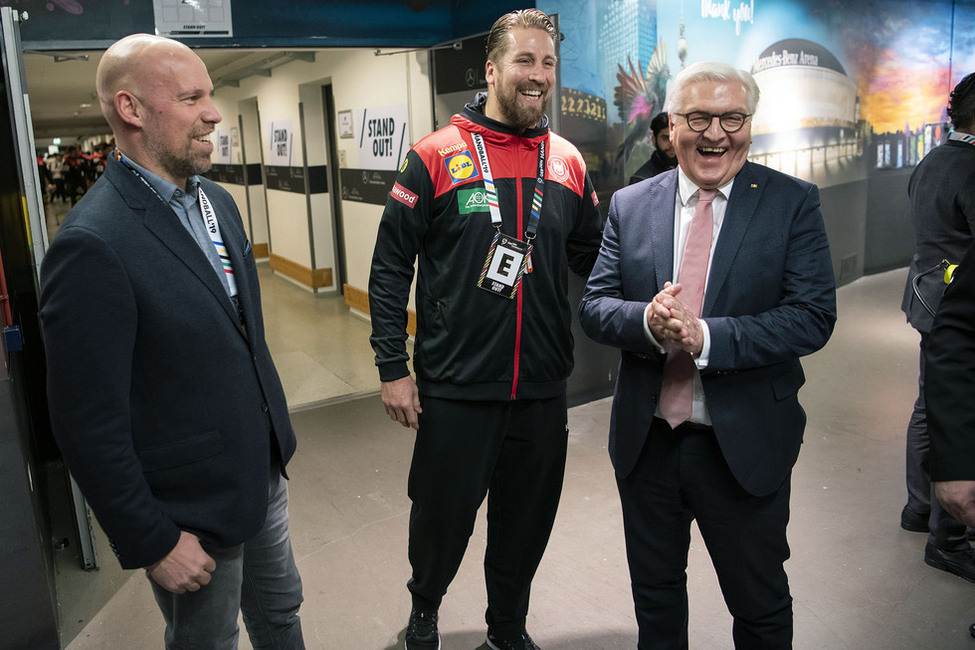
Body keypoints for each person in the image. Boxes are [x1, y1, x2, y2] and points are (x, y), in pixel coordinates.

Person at [39, 34, 304, 649]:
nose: (213, 112)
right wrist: (152, 538)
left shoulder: (214, 201)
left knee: (282, 612)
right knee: (208, 640)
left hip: (260, 472)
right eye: (191, 98)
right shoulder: (93, 242)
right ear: (131, 111)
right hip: (189, 507)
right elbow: (85, 419)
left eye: (209, 94)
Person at [578, 61, 836, 648]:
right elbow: (594, 305)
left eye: (732, 118)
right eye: (698, 117)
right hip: (647, 446)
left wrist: (707, 338)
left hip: (740, 445)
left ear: (750, 125)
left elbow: (813, 317)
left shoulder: (791, 203)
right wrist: (644, 319)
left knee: (759, 604)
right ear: (671, 126)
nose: (715, 133)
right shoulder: (630, 204)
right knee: (657, 599)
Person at [368, 9, 602, 650]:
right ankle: (425, 611)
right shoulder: (435, 156)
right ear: (493, 69)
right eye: (525, 61)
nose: (539, 76)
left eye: (548, 63)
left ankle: (508, 627)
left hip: (541, 384)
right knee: (441, 518)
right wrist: (393, 367)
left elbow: (590, 256)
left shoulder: (568, 161)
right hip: (457, 384)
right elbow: (390, 269)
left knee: (525, 521)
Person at [898, 72, 975, 581]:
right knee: (947, 410)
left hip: (928, 294)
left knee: (930, 405)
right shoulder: (971, 167)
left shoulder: (934, 158)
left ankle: (919, 507)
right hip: (958, 306)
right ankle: (946, 534)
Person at [628, 111, 677, 184]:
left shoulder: (688, 172)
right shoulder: (641, 180)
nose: (672, 144)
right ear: (654, 140)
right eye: (665, 138)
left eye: (675, 137)